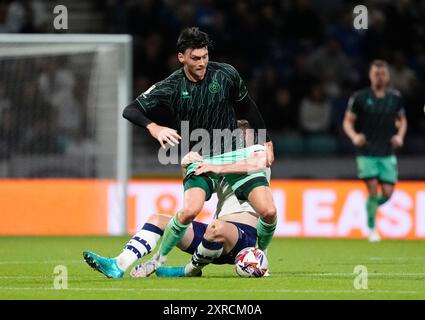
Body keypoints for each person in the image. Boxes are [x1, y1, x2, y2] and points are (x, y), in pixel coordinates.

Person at [122, 27, 277, 272]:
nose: (202, 62)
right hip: (200, 155)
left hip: (233, 153)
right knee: (189, 211)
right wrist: (154, 128)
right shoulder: (171, 85)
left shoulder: (225, 74)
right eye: (196, 58)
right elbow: (130, 110)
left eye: (205, 56)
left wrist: (266, 140)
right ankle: (158, 260)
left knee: (268, 211)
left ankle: (262, 255)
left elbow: (248, 108)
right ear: (181, 57)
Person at [83, 131, 270, 278]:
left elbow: (257, 163)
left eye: (241, 135)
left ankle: (189, 270)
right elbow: (197, 193)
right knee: (158, 220)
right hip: (213, 243)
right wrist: (187, 166)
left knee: (216, 227)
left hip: (243, 239)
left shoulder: (256, 160)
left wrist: (215, 165)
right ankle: (119, 264)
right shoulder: (221, 161)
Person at [343, 59, 407, 242]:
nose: (379, 76)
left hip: (387, 152)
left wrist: (400, 136)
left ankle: (370, 206)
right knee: (372, 188)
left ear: (387, 76)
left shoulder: (395, 97)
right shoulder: (360, 97)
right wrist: (354, 136)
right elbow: (348, 121)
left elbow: (402, 120)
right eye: (376, 73)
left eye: (383, 73)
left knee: (387, 193)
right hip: (367, 152)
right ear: (371, 75)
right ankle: (372, 229)